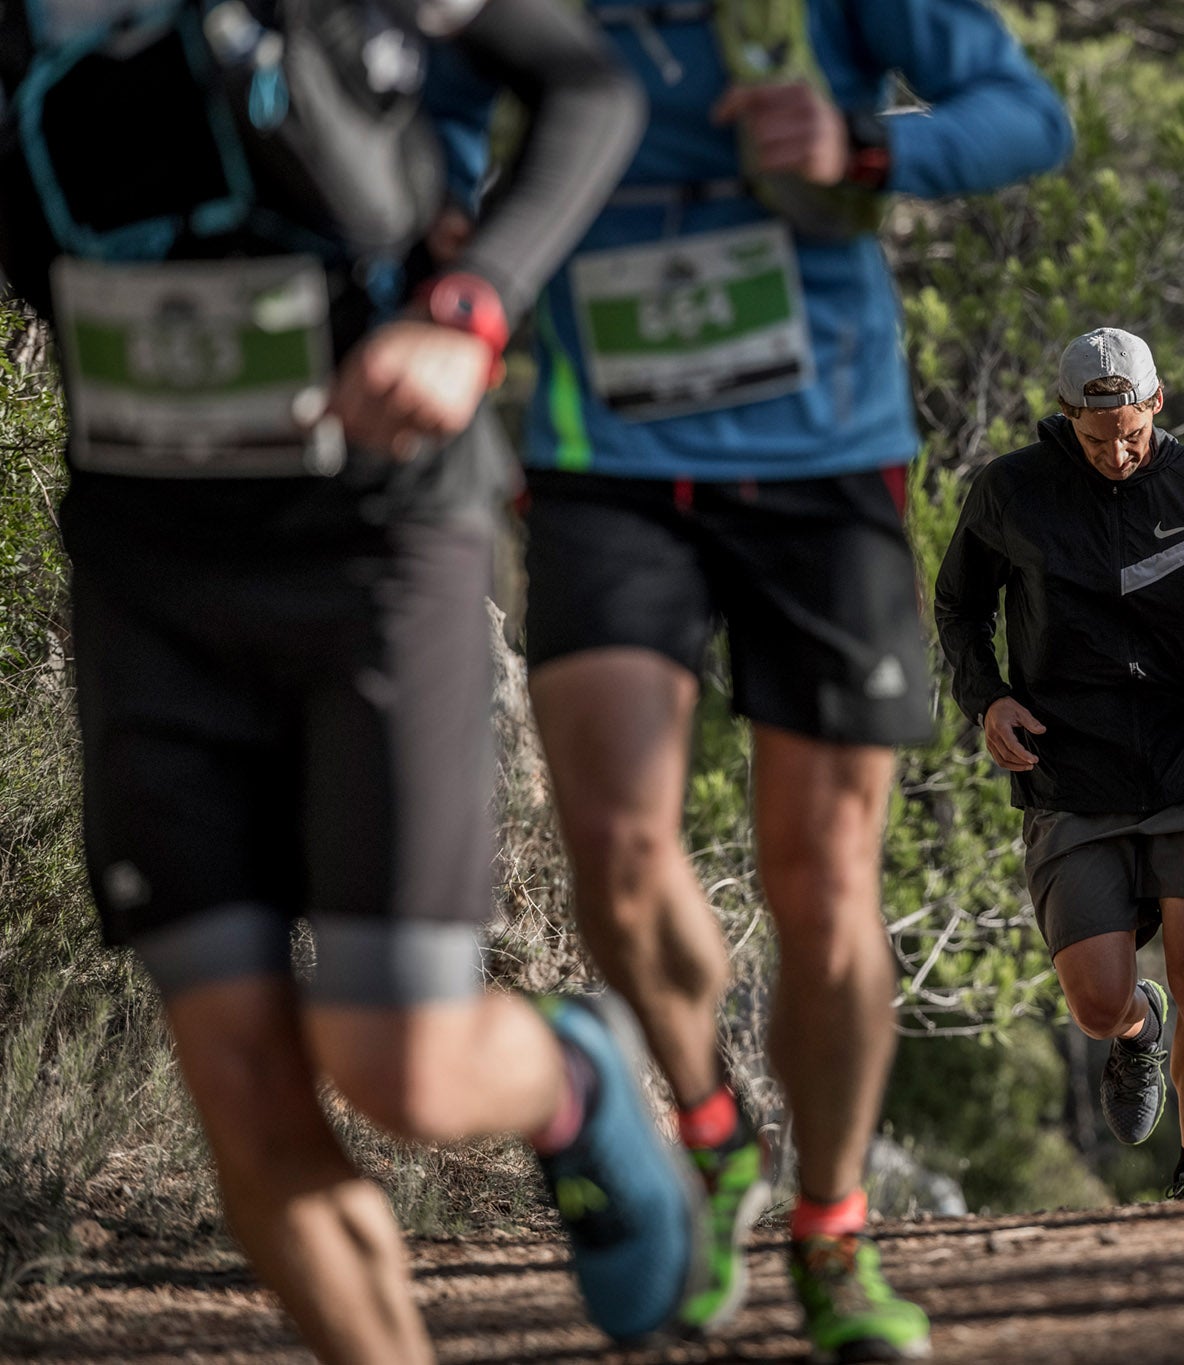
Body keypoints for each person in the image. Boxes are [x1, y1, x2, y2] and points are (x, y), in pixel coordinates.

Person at [0, 3, 698, 1359]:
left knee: (402, 1062)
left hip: (377, 547)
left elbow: (587, 90)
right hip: (147, 571)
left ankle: (571, 1072)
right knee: (247, 1090)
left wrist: (472, 304)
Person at [486, 4, 1073, 1357]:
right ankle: (708, 1129)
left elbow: (1026, 115)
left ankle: (831, 1230)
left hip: (820, 467)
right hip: (606, 460)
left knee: (822, 876)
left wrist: (867, 147)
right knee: (620, 855)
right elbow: (439, 140)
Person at [934, 328, 1184, 1200]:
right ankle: (1139, 1030)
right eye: (1096, 437)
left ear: (1158, 402)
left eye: (1132, 433)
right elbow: (959, 606)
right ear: (1066, 416)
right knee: (1097, 1001)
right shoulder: (1012, 493)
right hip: (1072, 769)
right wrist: (987, 696)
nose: (1116, 453)